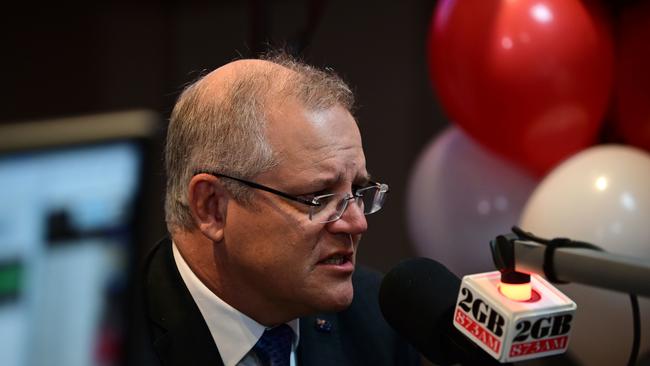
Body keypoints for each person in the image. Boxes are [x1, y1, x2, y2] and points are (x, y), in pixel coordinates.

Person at [141, 53, 421, 366]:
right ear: (212, 207)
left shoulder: (377, 322)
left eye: (357, 191)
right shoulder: (105, 339)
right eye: (318, 196)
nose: (356, 223)